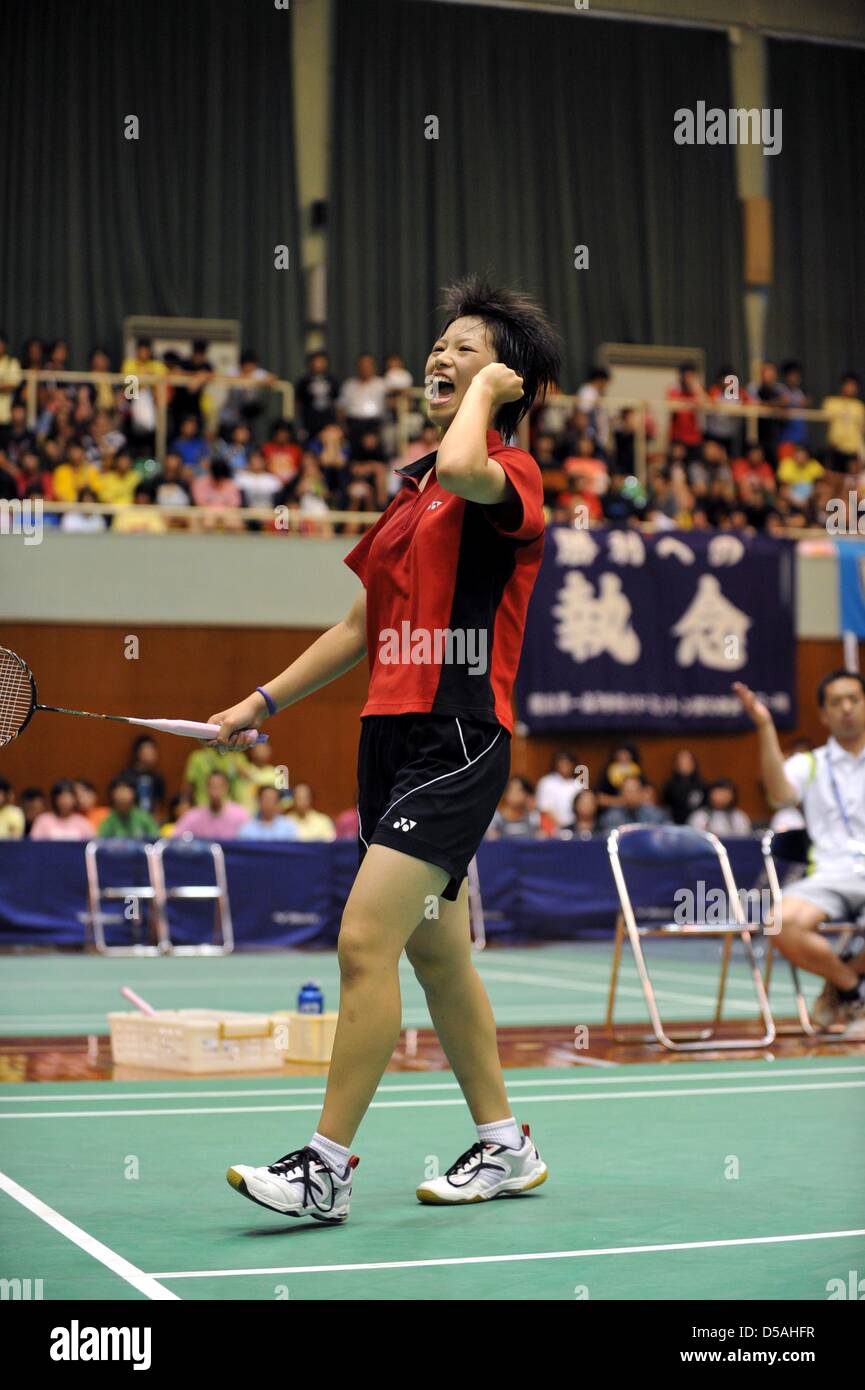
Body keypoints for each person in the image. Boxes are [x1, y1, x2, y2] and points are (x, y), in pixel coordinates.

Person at [210, 273, 562, 1221]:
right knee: (438, 959)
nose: (440, 357)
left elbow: (464, 469)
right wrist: (257, 702)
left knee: (365, 941)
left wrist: (493, 395)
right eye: (438, 345)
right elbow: (362, 623)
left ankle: (325, 1168)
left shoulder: (505, 478)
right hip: (389, 738)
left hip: (456, 737)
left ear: (509, 382)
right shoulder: (411, 493)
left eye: (465, 347)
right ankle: (504, 1146)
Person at [734, 670, 865, 1035]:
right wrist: (764, 727)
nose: (847, 709)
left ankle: (841, 986)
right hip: (830, 875)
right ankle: (853, 989)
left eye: (854, 699)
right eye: (836, 702)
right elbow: (778, 793)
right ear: (824, 715)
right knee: (780, 921)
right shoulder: (811, 763)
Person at [171, 770, 250, 839]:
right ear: (206, 788)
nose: (215, 790)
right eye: (212, 786)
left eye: (219, 786)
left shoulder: (240, 814)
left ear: (226, 787)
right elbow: (176, 836)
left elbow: (249, 839)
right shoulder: (193, 816)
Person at [600, 775, 668, 830]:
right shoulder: (612, 816)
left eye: (634, 791)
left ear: (641, 793)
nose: (631, 795)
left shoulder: (655, 814)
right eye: (628, 791)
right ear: (621, 794)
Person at [687, 779, 751, 837]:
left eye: (725, 794)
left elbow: (744, 840)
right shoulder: (700, 816)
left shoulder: (739, 817)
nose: (721, 798)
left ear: (732, 796)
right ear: (710, 794)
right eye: (718, 794)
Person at [120, 736, 165, 817]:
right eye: (147, 750)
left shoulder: (158, 778)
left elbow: (159, 804)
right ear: (138, 752)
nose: (151, 754)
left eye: (153, 751)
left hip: (151, 820)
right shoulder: (127, 775)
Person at [534, 750, 579, 830]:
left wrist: (571, 827)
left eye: (568, 762)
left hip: (575, 828)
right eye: (562, 762)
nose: (565, 765)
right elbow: (544, 809)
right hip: (551, 828)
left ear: (573, 765)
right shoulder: (546, 782)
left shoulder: (578, 785)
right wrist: (561, 826)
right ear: (556, 764)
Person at [661, 749, 707, 825]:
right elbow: (666, 806)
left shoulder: (702, 785)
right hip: (674, 823)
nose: (684, 765)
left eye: (687, 762)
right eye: (681, 763)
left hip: (696, 824)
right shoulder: (669, 785)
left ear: (693, 764)